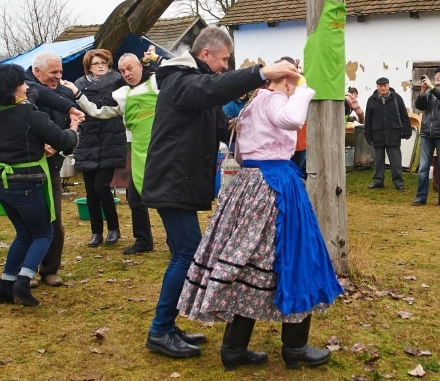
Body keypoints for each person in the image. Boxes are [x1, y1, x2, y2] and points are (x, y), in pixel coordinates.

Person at [141, 27, 299, 359]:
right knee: (186, 254)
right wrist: (259, 74)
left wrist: (246, 125)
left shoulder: (195, 86)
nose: (225, 67)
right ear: (206, 54)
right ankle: (159, 331)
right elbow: (210, 89)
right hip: (171, 183)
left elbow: (219, 126)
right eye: (224, 60)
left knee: (183, 255)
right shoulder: (181, 81)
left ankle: (168, 326)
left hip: (178, 182)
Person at [178, 60, 342, 371]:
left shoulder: (252, 104)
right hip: (276, 184)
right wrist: (304, 89)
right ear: (286, 81)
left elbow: (238, 151)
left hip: (249, 182)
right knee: (297, 258)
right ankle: (295, 348)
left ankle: (234, 347)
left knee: (249, 265)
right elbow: (293, 120)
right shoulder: (278, 98)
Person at [0, 64, 79, 306]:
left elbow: (18, 141)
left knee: (24, 234)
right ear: (13, 89)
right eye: (22, 84)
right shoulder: (29, 114)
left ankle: (5, 284)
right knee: (44, 233)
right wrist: (75, 126)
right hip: (27, 184)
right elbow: (61, 139)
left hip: (2, 184)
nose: (27, 87)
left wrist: (38, 145)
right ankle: (23, 282)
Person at [64, 52, 158, 255]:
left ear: (140, 66)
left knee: (168, 198)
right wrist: (77, 94)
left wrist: (156, 58)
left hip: (163, 150)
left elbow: (181, 69)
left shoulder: (157, 83)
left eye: (130, 68)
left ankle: (175, 241)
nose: (127, 73)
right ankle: (143, 241)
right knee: (134, 198)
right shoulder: (121, 94)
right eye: (123, 70)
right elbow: (97, 110)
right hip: (138, 152)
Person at [25, 52, 85, 287]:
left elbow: (68, 129)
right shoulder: (24, 90)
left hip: (52, 164)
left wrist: (59, 145)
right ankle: (26, 270)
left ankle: (50, 269)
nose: (58, 77)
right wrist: (40, 144)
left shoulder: (63, 91)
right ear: (37, 71)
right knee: (29, 220)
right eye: (54, 72)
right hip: (28, 166)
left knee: (55, 219)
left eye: (60, 72)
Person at [73, 49, 127, 247]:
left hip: (111, 139)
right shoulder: (79, 85)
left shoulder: (118, 80)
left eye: (104, 62)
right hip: (88, 141)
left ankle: (114, 228)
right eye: (96, 63)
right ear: (89, 66)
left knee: (102, 186)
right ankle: (96, 231)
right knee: (90, 191)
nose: (101, 66)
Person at [413, 67, 440, 205]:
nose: (438, 77)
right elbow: (419, 106)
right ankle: (421, 197)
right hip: (427, 133)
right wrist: (422, 92)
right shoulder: (429, 92)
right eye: (436, 75)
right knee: (423, 168)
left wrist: (432, 87)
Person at [364, 77, 412, 192]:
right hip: (377, 134)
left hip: (393, 134)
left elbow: (404, 115)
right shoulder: (371, 100)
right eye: (380, 86)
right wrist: (368, 135)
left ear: (388, 86)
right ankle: (378, 181)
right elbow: (368, 120)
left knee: (395, 161)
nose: (383, 88)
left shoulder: (397, 98)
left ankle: (398, 182)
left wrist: (407, 130)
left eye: (385, 85)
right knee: (378, 160)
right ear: (377, 87)